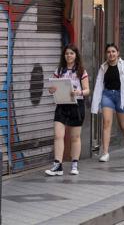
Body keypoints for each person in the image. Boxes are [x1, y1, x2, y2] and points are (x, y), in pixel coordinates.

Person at [45, 44, 90, 176]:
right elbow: (52, 87)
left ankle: (74, 164)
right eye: (66, 54)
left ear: (76, 55)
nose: (68, 56)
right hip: (61, 105)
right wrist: (51, 90)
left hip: (77, 106)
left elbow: (87, 90)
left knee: (75, 137)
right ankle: (57, 165)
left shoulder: (81, 71)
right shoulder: (59, 71)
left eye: (71, 53)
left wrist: (79, 92)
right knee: (58, 135)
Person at [91, 44, 124, 162]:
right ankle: (105, 152)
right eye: (108, 52)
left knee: (123, 125)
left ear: (118, 53)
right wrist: (96, 103)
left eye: (113, 51)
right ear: (106, 54)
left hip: (122, 96)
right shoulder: (103, 67)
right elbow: (98, 85)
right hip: (107, 95)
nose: (111, 54)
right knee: (106, 123)